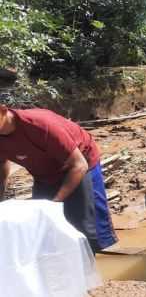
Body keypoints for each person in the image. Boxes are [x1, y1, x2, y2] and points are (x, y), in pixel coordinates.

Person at [0, 105, 117, 252]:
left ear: (3, 111)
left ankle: (92, 265)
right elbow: (2, 162)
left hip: (80, 164)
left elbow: (79, 165)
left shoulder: (39, 125)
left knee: (85, 227)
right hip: (45, 171)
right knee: (44, 226)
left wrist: (55, 203)